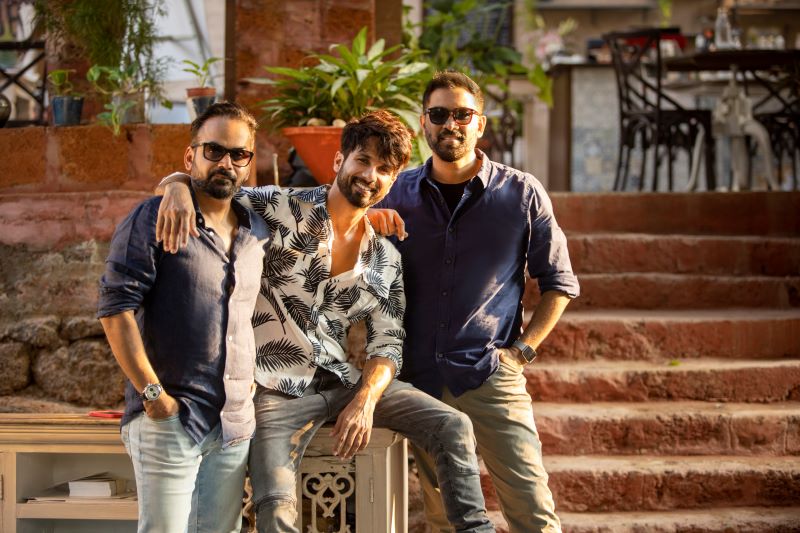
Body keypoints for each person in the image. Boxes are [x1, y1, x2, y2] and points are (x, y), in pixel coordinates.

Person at [156, 110, 495, 533]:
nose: (370, 175)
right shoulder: (280, 208)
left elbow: (388, 344)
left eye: (384, 170)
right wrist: (176, 185)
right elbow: (215, 187)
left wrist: (365, 400)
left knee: (453, 424)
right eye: (363, 160)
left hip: (344, 382)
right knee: (276, 504)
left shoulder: (385, 258)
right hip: (276, 388)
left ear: (393, 182)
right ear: (339, 161)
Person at [372, 70, 580, 533]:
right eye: (439, 114)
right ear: (424, 123)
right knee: (445, 517)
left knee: (532, 510)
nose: (451, 124)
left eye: (463, 114)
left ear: (480, 123)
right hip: (421, 380)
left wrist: (522, 352)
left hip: (489, 372)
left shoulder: (521, 193)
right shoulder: (394, 193)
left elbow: (559, 282)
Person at [97, 102, 269, 533]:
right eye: (214, 150)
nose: (226, 163)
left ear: (249, 163)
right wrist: (154, 396)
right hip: (170, 420)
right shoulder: (154, 217)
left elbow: (329, 204)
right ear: (190, 156)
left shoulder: (257, 231)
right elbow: (115, 310)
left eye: (238, 154)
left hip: (232, 424)